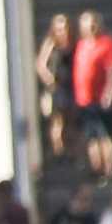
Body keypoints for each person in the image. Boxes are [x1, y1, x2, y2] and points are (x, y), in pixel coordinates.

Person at [73, 12, 112, 178]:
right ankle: (97, 171)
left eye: (93, 24)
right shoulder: (81, 46)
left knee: (107, 135)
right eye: (87, 24)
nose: (91, 27)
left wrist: (110, 92)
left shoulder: (107, 44)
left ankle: (111, 170)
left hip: (101, 100)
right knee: (92, 138)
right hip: (85, 100)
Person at [35, 15, 76, 159]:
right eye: (59, 29)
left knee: (72, 117)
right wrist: (51, 80)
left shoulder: (72, 44)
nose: (62, 32)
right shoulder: (51, 43)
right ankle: (59, 151)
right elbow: (40, 65)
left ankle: (72, 149)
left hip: (70, 85)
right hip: (57, 87)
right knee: (57, 119)